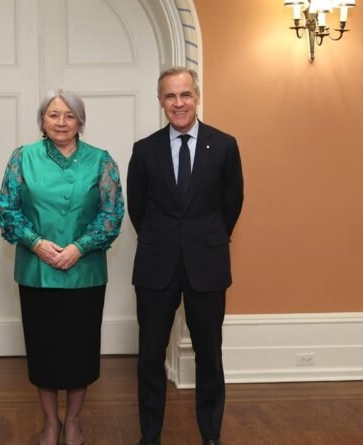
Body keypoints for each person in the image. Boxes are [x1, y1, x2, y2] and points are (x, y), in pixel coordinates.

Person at [0, 89, 124, 445]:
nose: (61, 122)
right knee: (44, 351)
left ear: (80, 120)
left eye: (69, 115)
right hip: (37, 273)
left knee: (80, 351)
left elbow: (112, 214)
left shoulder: (102, 161)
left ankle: (73, 421)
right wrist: (36, 243)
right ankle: (50, 422)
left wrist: (79, 247)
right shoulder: (22, 158)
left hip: (85, 273)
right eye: (54, 115)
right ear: (42, 120)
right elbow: (7, 210)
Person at [127, 67, 244, 445]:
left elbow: (232, 203)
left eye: (185, 95)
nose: (178, 103)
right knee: (149, 356)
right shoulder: (144, 150)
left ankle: (211, 433)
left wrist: (206, 238)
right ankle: (150, 435)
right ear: (160, 101)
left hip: (207, 266)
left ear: (197, 96)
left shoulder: (225, 146)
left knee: (209, 354)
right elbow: (137, 208)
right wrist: (165, 239)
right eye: (170, 96)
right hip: (155, 266)